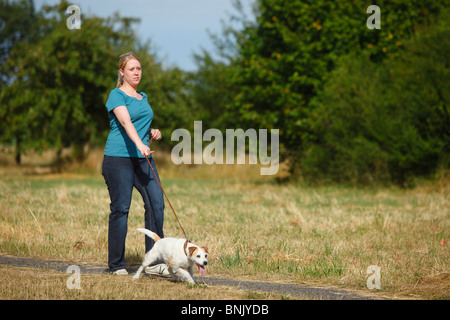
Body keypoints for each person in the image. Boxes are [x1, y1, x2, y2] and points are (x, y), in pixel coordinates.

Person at [102, 52, 167, 275]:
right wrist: (140, 142)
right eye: (131, 69)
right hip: (118, 159)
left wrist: (151, 132)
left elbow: (139, 123)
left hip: (142, 157)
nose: (136, 72)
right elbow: (125, 121)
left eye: (139, 68)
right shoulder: (116, 95)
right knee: (121, 209)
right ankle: (116, 265)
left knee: (156, 203)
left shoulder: (143, 96)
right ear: (122, 72)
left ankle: (155, 262)